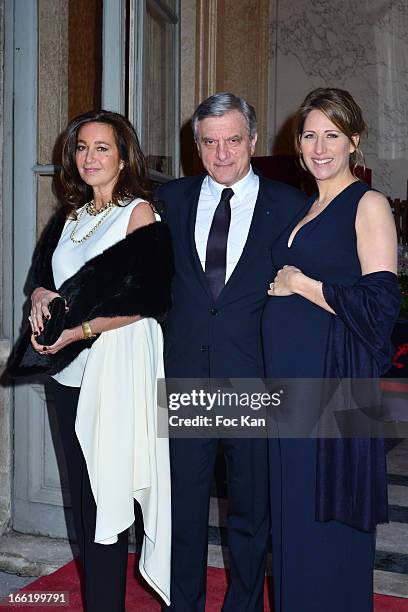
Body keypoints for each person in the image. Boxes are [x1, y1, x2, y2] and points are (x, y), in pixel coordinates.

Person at [9, 110, 173, 611]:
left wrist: (77, 332)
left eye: (102, 147)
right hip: (68, 372)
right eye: (82, 147)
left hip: (115, 368)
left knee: (108, 495)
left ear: (124, 157)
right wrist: (39, 296)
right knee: (83, 496)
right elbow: (45, 276)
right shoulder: (71, 216)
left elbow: (148, 299)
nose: (90, 157)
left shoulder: (138, 213)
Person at [158, 92, 306, 611]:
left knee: (249, 513)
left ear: (253, 140)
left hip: (254, 381)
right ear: (195, 146)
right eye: (210, 142)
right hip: (185, 377)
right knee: (183, 512)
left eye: (233, 140)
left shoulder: (289, 206)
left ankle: (242, 605)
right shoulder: (168, 202)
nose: (222, 154)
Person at [262, 87, 401, 612]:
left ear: (354, 141)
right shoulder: (307, 206)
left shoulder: (368, 204)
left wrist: (303, 286)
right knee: (294, 517)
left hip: (334, 388)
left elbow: (382, 304)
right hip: (290, 387)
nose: (320, 147)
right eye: (310, 135)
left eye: (332, 135)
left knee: (327, 519)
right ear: (298, 143)